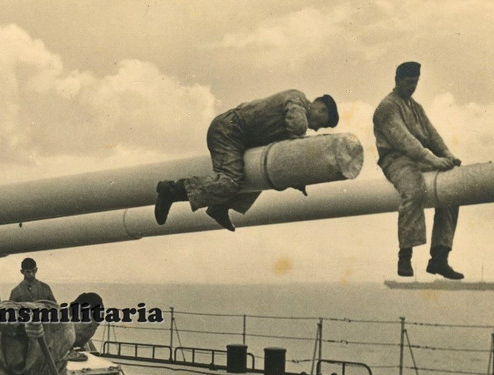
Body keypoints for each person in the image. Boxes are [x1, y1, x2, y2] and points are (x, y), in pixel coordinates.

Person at [154, 90, 339, 231]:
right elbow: (298, 127)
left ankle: (219, 207)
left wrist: (297, 178)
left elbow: (284, 153)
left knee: (260, 172)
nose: (316, 129)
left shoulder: (295, 114)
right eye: (321, 124)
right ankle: (171, 190)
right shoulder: (296, 99)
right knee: (231, 181)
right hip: (229, 130)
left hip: (242, 139)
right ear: (321, 109)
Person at [373, 61, 464, 280]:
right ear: (398, 81)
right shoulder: (388, 106)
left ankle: (439, 257)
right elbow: (405, 141)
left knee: (452, 189)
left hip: (420, 159)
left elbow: (432, 136)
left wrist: (447, 156)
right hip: (395, 159)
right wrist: (433, 160)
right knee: (413, 188)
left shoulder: (415, 107)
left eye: (415, 82)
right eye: (408, 82)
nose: (412, 86)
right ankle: (405, 255)